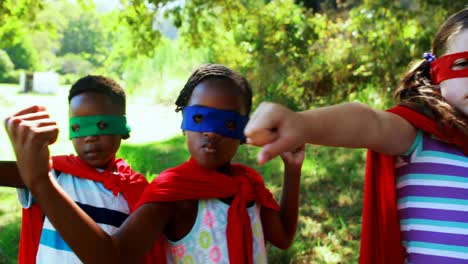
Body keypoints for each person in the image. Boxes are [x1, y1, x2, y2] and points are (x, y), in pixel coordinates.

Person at [5, 64, 305, 263]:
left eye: (226, 122)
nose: (211, 132)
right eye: (199, 118)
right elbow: (115, 256)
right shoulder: (171, 195)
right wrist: (41, 181)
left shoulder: (249, 186)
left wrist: (293, 169)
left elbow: (282, 237)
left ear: (244, 130)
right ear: (183, 122)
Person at [244, 8, 468, 264]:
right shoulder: (419, 135)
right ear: (436, 73)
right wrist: (302, 123)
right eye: (464, 63)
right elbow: (369, 123)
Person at [1, 75, 150, 264]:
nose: (89, 137)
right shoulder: (54, 174)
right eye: (78, 127)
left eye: (101, 125)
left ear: (123, 127)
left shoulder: (138, 192)